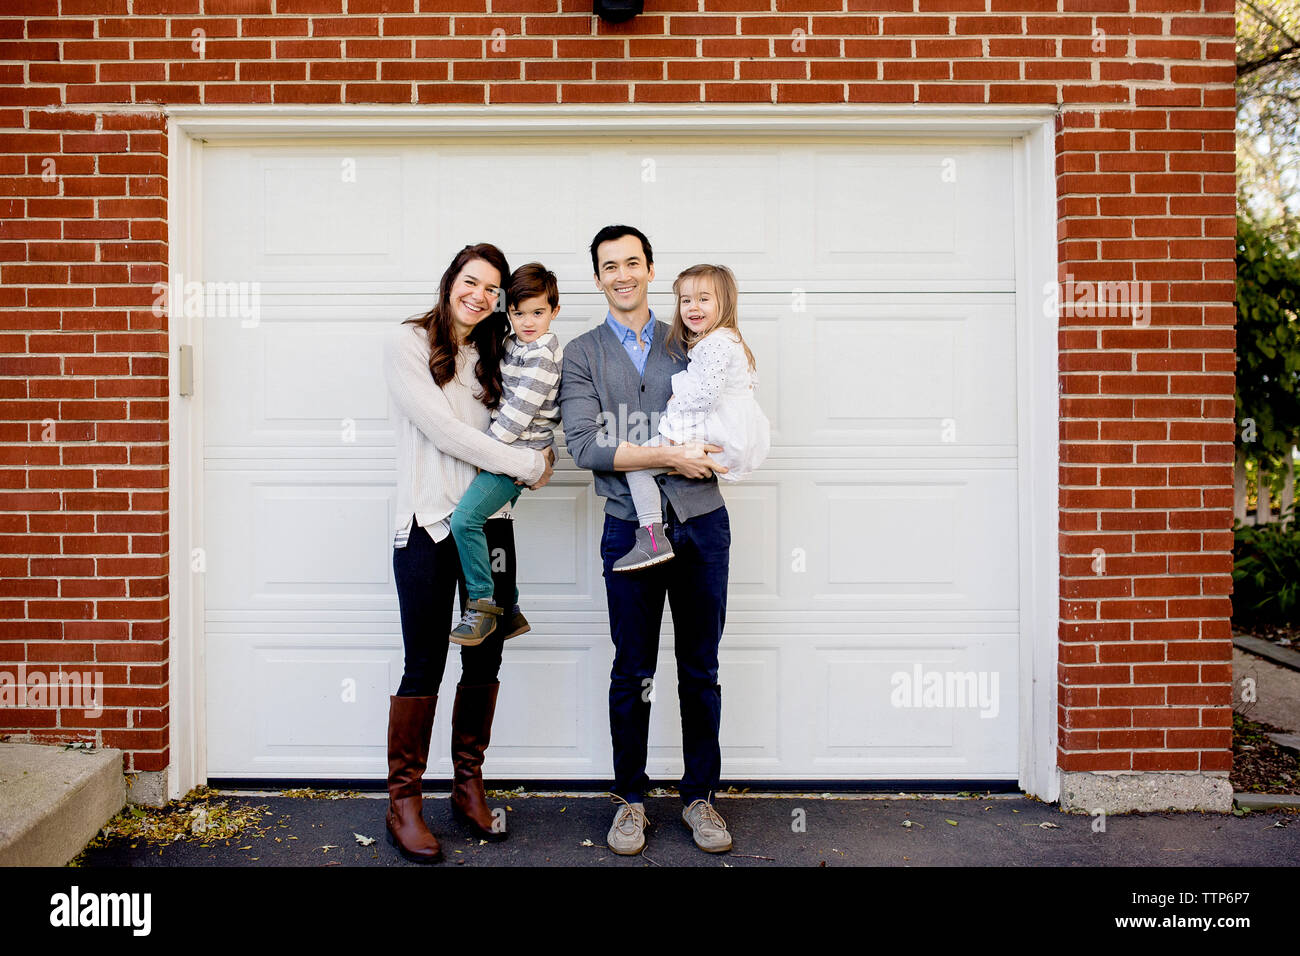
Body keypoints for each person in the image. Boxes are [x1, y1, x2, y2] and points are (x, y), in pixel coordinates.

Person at [558, 224, 735, 855]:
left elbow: (729, 418)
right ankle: (630, 800)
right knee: (631, 669)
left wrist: (701, 457)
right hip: (629, 532)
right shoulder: (581, 353)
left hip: (701, 526)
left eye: (633, 262)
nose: (622, 275)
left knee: (700, 668)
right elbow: (585, 447)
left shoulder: (694, 340)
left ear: (651, 269)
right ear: (599, 278)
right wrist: (668, 455)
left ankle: (699, 798)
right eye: (610, 266)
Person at [382, 243, 554, 864]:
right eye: (471, 282)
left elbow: (526, 419)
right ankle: (404, 801)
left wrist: (541, 454)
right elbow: (445, 433)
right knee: (424, 663)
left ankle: (467, 786)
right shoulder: (408, 344)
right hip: (428, 525)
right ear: (451, 280)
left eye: (492, 290)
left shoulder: (497, 353)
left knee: (484, 662)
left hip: (489, 530)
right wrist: (532, 466)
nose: (479, 296)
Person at [611, 263, 770, 571]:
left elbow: (705, 395)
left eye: (703, 299)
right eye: (685, 300)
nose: (692, 307)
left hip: (712, 430)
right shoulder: (732, 340)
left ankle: (651, 540)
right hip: (734, 431)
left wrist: (677, 395)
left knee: (637, 463)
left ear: (724, 303)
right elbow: (749, 383)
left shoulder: (712, 345)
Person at [448, 262, 563, 645]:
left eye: (538, 313)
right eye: (518, 313)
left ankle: (481, 603)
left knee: (466, 521)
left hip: (516, 453)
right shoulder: (516, 342)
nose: (528, 322)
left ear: (554, 312)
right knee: (492, 524)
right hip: (510, 452)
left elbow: (515, 418)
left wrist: (478, 455)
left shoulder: (543, 355)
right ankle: (511, 611)